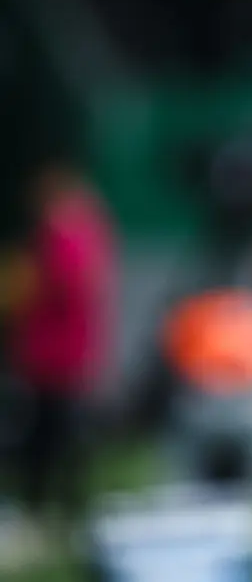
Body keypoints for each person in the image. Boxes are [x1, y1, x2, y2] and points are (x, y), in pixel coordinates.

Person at [8, 153, 117, 533]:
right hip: (64, 350)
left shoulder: (64, 230)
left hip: (56, 352)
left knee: (51, 433)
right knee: (55, 431)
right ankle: (58, 504)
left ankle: (49, 505)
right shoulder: (86, 225)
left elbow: (63, 284)